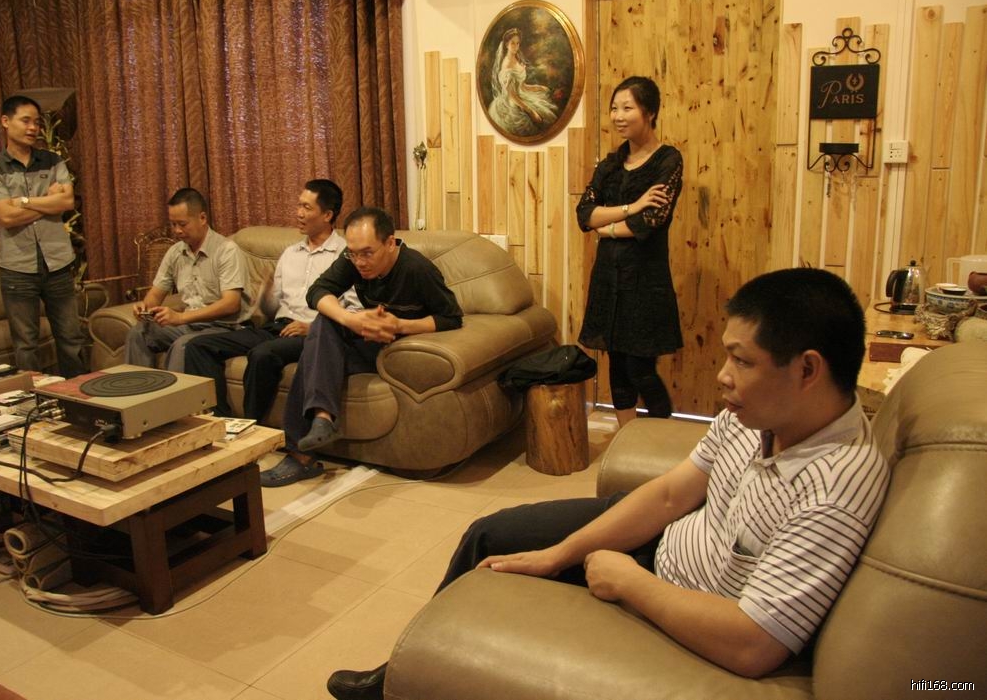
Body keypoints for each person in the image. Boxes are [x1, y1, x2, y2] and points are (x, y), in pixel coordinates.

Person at [326, 268, 891, 699]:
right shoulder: (759, 415)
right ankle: (396, 677)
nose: (723, 376)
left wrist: (628, 581)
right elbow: (671, 494)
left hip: (677, 594)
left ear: (808, 370)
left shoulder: (833, 490)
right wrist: (559, 555)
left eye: (742, 361)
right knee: (492, 535)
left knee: (509, 558)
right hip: (670, 538)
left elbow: (754, 644)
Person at [262, 207, 463, 487]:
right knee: (324, 323)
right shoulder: (352, 260)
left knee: (312, 355)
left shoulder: (417, 269)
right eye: (354, 253)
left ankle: (302, 455)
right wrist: (350, 319)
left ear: (390, 243)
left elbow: (451, 318)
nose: (359, 262)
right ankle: (322, 418)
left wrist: (399, 325)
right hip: (365, 339)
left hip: (396, 349)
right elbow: (317, 292)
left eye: (367, 253)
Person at [182, 179, 352, 419]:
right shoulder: (290, 253)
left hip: (311, 334)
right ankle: (220, 422)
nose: (298, 213)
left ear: (327, 215)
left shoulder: (345, 255)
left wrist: (313, 328)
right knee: (198, 346)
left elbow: (352, 310)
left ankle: (253, 426)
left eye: (306, 207)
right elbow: (272, 309)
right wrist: (265, 296)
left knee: (262, 354)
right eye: (298, 205)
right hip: (277, 327)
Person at [576, 75, 684, 426]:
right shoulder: (609, 165)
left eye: (627, 108)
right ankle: (626, 441)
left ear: (649, 113)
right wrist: (632, 206)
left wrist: (607, 226)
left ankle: (658, 443)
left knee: (641, 369)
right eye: (614, 108)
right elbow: (584, 214)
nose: (618, 116)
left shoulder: (668, 160)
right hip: (608, 280)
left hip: (645, 281)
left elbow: (649, 222)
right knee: (618, 368)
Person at [0, 94, 88, 379]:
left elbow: (67, 203)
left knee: (71, 338)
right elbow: (6, 217)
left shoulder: (52, 161)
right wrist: (46, 202)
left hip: (58, 262)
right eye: (26, 121)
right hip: (17, 268)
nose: (33, 128)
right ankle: (34, 400)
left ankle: (77, 394)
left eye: (37, 123)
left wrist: (24, 202)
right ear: (6, 121)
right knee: (26, 344)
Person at [125, 188, 253, 372]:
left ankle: (177, 392)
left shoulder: (226, 250)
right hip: (188, 325)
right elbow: (155, 294)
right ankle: (140, 388)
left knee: (183, 346)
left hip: (225, 327)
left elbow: (231, 304)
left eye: (183, 224)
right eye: (173, 224)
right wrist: (144, 309)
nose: (177, 230)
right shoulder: (175, 252)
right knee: (139, 332)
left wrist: (181, 317)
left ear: (202, 218)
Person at [487, 27, 559, 137]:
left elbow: (522, 86)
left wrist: (539, 87)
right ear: (506, 44)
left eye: (518, 43)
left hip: (521, 95)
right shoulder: (507, 65)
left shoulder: (516, 59)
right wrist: (530, 111)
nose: (516, 46)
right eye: (512, 43)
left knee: (546, 104)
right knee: (536, 118)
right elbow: (512, 95)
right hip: (513, 102)